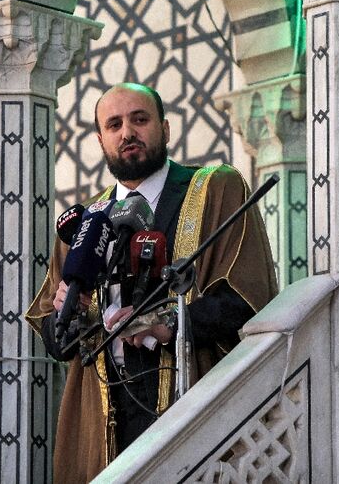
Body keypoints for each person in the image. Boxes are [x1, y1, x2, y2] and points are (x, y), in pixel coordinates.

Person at [25, 83, 277, 482]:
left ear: (165, 127)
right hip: (104, 412)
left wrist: (170, 324)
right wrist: (66, 315)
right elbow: (55, 338)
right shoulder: (84, 223)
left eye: (139, 120)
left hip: (191, 392)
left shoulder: (216, 188)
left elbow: (247, 300)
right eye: (114, 124)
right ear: (101, 139)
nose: (128, 133)